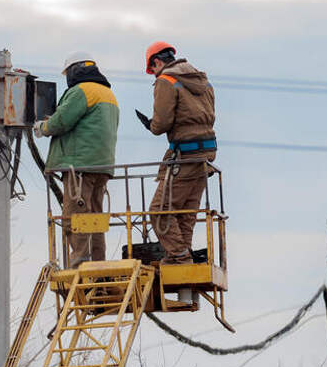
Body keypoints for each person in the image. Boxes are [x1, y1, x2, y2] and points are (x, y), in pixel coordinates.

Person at [34, 52, 119, 266]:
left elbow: (61, 121)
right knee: (95, 217)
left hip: (79, 166)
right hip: (102, 166)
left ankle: (81, 264)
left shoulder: (81, 91)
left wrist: (43, 127)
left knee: (76, 216)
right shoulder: (107, 93)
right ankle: (98, 264)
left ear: (74, 71)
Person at [135, 41, 216, 265]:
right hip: (206, 154)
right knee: (185, 212)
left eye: (153, 69)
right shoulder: (202, 80)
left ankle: (179, 257)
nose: (154, 74)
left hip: (185, 155)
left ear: (157, 62)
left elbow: (162, 123)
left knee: (159, 211)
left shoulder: (166, 80)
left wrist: (151, 125)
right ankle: (184, 254)